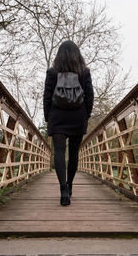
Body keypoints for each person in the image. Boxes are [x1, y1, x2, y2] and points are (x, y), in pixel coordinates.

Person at [43, 40, 94, 206]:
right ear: (77, 55)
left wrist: (48, 117)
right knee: (73, 155)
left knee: (58, 152)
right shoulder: (84, 72)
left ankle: (63, 188)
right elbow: (90, 96)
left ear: (59, 56)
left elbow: (47, 96)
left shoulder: (52, 72)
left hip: (57, 117)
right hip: (77, 117)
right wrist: (85, 116)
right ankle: (70, 185)